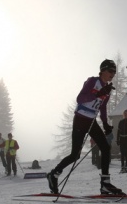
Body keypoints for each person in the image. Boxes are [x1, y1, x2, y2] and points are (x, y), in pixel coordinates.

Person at [47, 59, 123, 195]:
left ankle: (105, 184)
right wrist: (98, 94)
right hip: (81, 119)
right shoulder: (93, 81)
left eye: (114, 72)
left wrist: (105, 124)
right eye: (111, 71)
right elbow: (80, 99)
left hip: (91, 121)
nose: (113, 74)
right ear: (103, 71)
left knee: (105, 148)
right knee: (75, 155)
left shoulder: (107, 88)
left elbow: (103, 107)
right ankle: (54, 174)